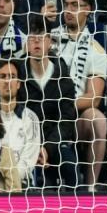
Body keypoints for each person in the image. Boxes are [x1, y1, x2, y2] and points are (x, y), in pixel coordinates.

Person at [51, 0, 107, 190]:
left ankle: (91, 188)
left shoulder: (96, 50)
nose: (68, 10)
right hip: (44, 111)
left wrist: (65, 104)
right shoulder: (49, 39)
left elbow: (94, 98)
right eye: (66, 5)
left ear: (87, 9)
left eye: (75, 5)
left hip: (74, 116)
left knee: (97, 120)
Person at [22, 16, 78, 189]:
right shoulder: (18, 75)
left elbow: (66, 121)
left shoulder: (63, 78)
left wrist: (47, 148)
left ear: (49, 41)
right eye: (32, 36)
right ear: (26, 42)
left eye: (42, 36)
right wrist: (32, 147)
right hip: (23, 143)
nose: (36, 41)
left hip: (54, 144)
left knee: (70, 167)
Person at [0, 58, 40, 188]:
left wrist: (8, 182)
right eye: (3, 76)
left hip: (21, 186)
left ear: (18, 84)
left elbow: (28, 161)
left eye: (12, 76)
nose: (7, 81)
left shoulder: (30, 118)